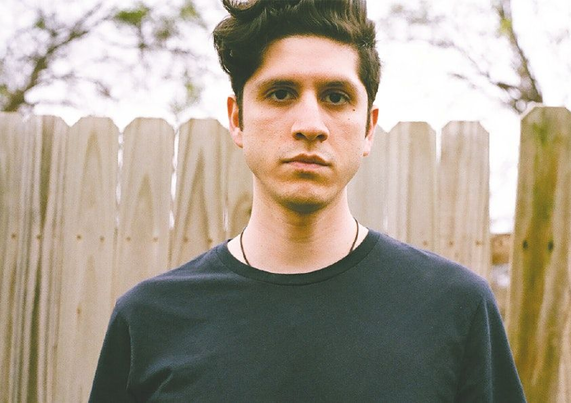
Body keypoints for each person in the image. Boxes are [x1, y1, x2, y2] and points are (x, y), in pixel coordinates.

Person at [89, 0, 526, 401]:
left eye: (336, 97)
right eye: (281, 93)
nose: (310, 125)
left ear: (368, 128)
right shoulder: (148, 321)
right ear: (237, 119)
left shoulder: (454, 308)